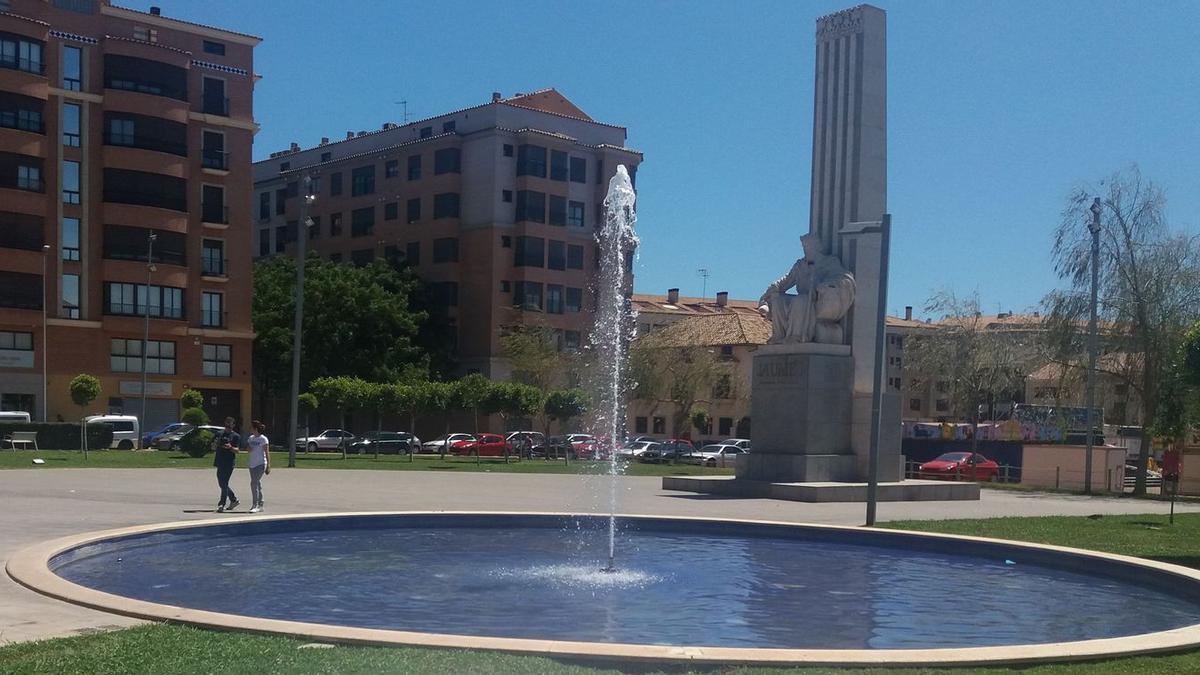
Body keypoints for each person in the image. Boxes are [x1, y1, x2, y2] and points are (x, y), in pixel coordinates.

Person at [213, 417, 241, 512]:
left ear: (233, 425)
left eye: (230, 425)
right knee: (222, 483)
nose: (228, 426)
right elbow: (213, 445)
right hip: (219, 461)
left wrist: (230, 447)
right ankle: (233, 499)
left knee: (224, 483)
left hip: (229, 463)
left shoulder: (236, 436)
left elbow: (237, 451)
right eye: (226, 424)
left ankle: (222, 504)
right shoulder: (219, 434)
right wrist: (215, 444)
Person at [246, 420, 271, 513]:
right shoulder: (251, 438)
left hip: (260, 464)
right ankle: (261, 503)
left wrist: (268, 465)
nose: (250, 429)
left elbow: (267, 452)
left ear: (255, 428)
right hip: (252, 464)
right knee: (257, 483)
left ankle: (255, 505)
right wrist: (248, 448)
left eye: (251, 427)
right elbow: (248, 450)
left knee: (253, 483)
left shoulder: (263, 439)